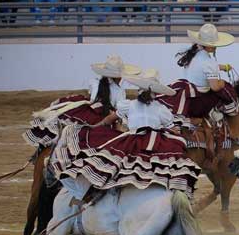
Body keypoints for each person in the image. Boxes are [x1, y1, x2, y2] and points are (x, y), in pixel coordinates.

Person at [53, 68, 201, 203]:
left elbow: (108, 120)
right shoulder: (162, 109)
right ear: (156, 92)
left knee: (113, 163)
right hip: (156, 141)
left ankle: (95, 192)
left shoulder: (128, 105)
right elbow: (173, 129)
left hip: (133, 139)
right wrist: (177, 132)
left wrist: (94, 128)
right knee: (170, 163)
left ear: (139, 90)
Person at [23, 55, 131, 150]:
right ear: (118, 76)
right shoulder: (120, 91)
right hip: (105, 115)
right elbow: (118, 111)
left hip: (88, 111)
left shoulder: (95, 82)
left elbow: (92, 99)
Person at [162, 23, 239, 120]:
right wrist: (222, 83)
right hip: (198, 100)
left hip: (189, 95)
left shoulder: (192, 53)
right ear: (210, 46)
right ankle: (222, 111)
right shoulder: (208, 62)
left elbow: (200, 69)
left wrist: (222, 67)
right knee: (225, 88)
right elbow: (215, 87)